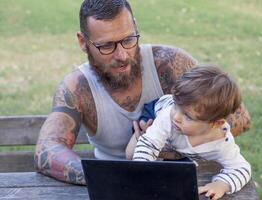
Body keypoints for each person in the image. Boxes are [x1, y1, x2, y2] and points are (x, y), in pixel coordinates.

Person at [34, 0, 251, 185]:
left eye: (128, 39)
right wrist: (115, 176)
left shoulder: (169, 62)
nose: (122, 55)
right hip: (116, 186)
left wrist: (171, 148)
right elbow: (47, 150)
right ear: (83, 42)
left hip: (191, 179)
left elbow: (240, 117)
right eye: (107, 46)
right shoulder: (76, 88)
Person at [129, 66, 251, 200]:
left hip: (181, 143)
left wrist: (222, 184)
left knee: (183, 170)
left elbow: (242, 169)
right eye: (176, 105)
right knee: (138, 144)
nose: (176, 116)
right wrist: (142, 172)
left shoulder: (222, 143)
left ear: (215, 124)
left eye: (188, 116)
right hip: (155, 110)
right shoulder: (168, 117)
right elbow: (148, 144)